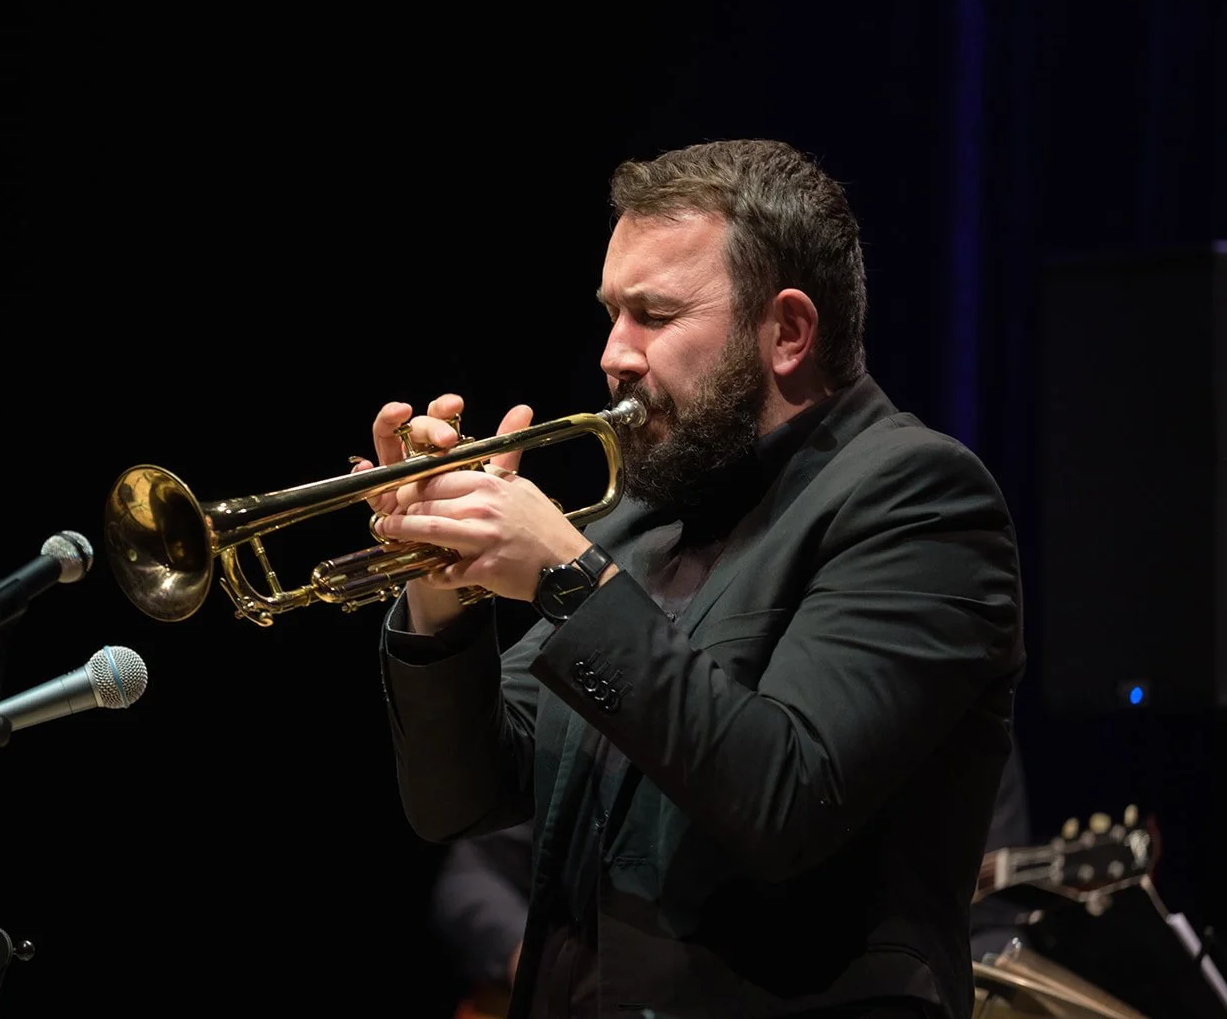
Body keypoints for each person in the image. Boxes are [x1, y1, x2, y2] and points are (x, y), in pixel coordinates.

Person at [352, 138, 1025, 1018]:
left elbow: (786, 793)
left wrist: (566, 574)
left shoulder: (920, 501)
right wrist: (441, 584)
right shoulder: (642, 512)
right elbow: (460, 799)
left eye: (653, 316)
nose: (613, 353)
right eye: (610, 313)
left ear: (787, 331)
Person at [428, 744, 1034, 1018]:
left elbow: (991, 931)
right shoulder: (633, 698)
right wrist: (538, 969)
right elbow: (469, 878)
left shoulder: (960, 734)